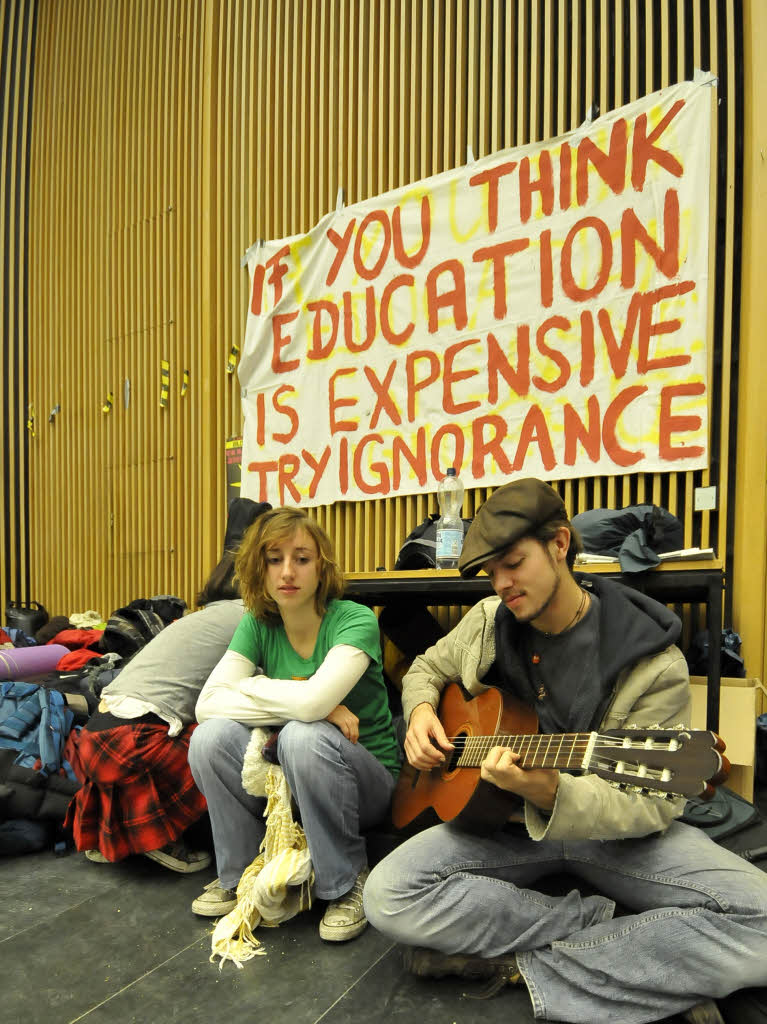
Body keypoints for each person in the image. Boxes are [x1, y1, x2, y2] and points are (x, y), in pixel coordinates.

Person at [363, 478, 767, 1024]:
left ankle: (517, 966)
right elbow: (429, 668)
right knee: (387, 896)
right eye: (491, 571)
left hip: (616, 840)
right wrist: (420, 713)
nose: (501, 583)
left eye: (513, 562)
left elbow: (651, 806)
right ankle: (628, 940)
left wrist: (548, 790)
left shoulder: (655, 662)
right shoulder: (487, 622)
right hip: (500, 829)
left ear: (559, 544)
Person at [188, 507, 400, 942]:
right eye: (274, 558)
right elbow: (208, 704)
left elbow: (312, 705)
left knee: (304, 736)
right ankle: (243, 873)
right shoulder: (258, 624)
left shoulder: (354, 619)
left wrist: (261, 688)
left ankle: (345, 882)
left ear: (321, 568)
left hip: (368, 783)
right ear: (257, 568)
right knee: (210, 737)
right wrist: (302, 700)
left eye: (302, 558)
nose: (288, 571)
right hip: (295, 778)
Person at [64, 552, 247, 872]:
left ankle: (117, 834)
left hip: (94, 736)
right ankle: (156, 838)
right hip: (133, 742)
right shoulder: (251, 618)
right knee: (229, 739)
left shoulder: (198, 616)